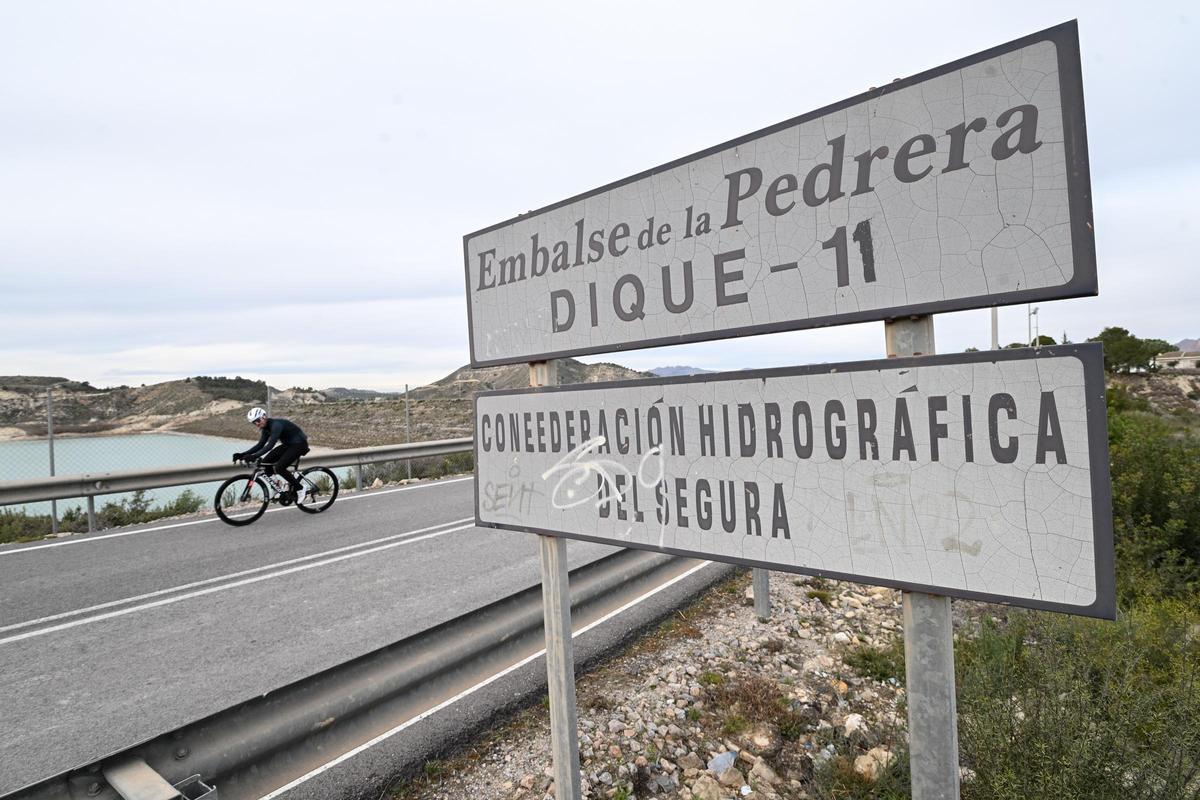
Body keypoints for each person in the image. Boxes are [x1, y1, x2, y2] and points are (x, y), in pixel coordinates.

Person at [233, 407, 311, 502]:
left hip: (299, 445)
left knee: (280, 468)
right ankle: (277, 485)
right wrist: (242, 454)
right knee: (265, 463)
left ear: (264, 416)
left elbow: (270, 445)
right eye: (254, 422)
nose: (257, 424)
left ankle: (300, 488)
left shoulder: (276, 425)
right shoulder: (265, 428)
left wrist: (254, 456)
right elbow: (260, 445)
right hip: (288, 445)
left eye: (258, 420)